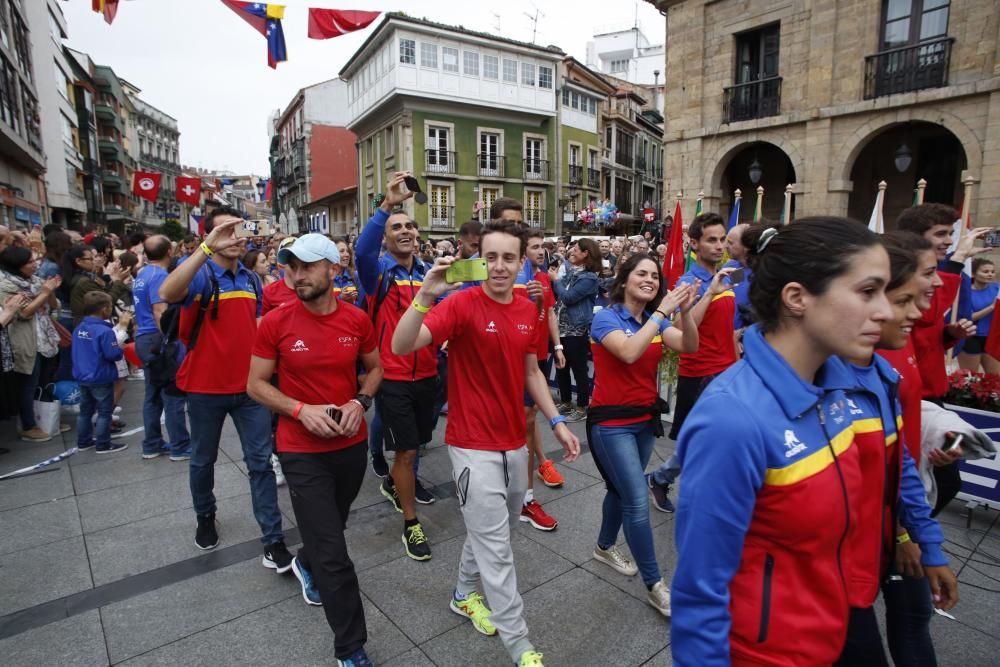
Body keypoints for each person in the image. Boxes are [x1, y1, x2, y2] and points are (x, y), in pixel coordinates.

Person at [671, 217, 892, 666]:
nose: (886, 311)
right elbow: (700, 592)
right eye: (867, 292)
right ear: (797, 298)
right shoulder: (731, 419)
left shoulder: (845, 388)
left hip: (839, 628)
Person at [392, 219, 580, 667]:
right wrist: (426, 295)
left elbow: (531, 371)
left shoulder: (524, 307)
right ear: (479, 260)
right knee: (497, 550)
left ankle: (462, 594)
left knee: (497, 528)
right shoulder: (461, 303)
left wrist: (557, 421)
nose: (498, 266)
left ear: (522, 262)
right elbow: (402, 345)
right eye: (490, 257)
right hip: (470, 443)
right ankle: (522, 649)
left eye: (508, 258)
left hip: (514, 441)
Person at [248, 234, 381, 667]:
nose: (296, 275)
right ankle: (351, 648)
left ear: (332, 269)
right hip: (299, 448)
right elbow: (256, 385)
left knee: (332, 526)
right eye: (290, 267)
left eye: (306, 266)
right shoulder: (275, 323)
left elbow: (376, 369)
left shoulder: (357, 319)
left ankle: (305, 561)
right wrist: (299, 409)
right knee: (334, 553)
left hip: (350, 444)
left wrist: (359, 403)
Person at [833, 232, 958, 666]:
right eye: (906, 298)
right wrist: (903, 536)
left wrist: (925, 539)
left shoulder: (883, 371)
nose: (919, 311)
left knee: (914, 617)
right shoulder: (814, 382)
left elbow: (897, 460)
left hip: (880, 537)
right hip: (841, 566)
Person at [158, 207, 289, 569]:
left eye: (238, 230)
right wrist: (203, 249)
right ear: (210, 237)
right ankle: (205, 515)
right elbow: (168, 292)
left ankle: (273, 539)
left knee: (260, 464)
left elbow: (258, 326)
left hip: (250, 391)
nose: (234, 237)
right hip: (204, 389)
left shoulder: (250, 279)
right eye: (224, 232)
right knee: (203, 460)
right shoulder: (201, 276)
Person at [587, 254, 699, 617]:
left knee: (619, 491)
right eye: (642, 273)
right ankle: (655, 585)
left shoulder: (651, 320)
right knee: (635, 499)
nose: (650, 279)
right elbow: (630, 353)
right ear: (625, 279)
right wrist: (663, 312)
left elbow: (689, 346)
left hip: (643, 421)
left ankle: (604, 546)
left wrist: (683, 311)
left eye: (655, 275)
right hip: (610, 424)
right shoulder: (607, 317)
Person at [356, 172, 437, 561]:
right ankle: (411, 523)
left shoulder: (428, 275)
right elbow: (361, 253)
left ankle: (395, 482)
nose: (404, 230)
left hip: (430, 376)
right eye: (396, 227)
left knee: (419, 444)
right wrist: (385, 206)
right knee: (405, 452)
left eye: (409, 225)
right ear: (386, 238)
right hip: (393, 379)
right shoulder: (376, 275)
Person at [517, 229, 566, 532]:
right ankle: (524, 493)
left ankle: (529, 486)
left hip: (540, 356)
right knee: (524, 418)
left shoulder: (544, 278)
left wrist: (557, 345)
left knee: (530, 416)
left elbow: (548, 313)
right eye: (534, 247)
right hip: (518, 359)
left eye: (541, 247)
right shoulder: (514, 277)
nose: (540, 251)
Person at [133, 235, 190, 461]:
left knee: (153, 395)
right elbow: (160, 311)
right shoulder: (158, 275)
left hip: (145, 338)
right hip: (157, 338)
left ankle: (152, 444)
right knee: (172, 394)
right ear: (169, 252)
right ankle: (180, 445)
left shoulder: (142, 273)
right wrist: (170, 341)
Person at [0, 247, 63, 441]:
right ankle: (28, 425)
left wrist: (49, 292)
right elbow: (23, 313)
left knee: (45, 380)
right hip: (25, 340)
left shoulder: (36, 280)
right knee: (28, 383)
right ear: (17, 265)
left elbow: (54, 306)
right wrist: (44, 293)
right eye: (30, 262)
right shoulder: (5, 285)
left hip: (46, 337)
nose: (35, 264)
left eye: (36, 260)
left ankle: (45, 418)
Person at [73, 291, 130, 455]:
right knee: (104, 412)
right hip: (101, 376)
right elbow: (112, 354)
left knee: (85, 411)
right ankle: (103, 444)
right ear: (105, 309)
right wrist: (119, 349)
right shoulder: (104, 331)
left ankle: (83, 441)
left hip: (82, 375)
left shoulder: (79, 328)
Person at [550, 238, 601, 422]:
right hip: (560, 328)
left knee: (579, 370)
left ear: (586, 253)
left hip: (576, 330)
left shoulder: (589, 277)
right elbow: (560, 294)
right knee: (561, 366)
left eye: (576, 249)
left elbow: (569, 297)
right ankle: (565, 401)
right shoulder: (573, 272)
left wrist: (556, 280)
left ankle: (581, 406)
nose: (572, 251)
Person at [957, 258, 999, 373]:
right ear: (974, 273)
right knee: (969, 378)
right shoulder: (965, 292)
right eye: (985, 272)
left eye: (992, 272)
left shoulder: (997, 288)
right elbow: (967, 318)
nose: (990, 274)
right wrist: (991, 307)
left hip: (991, 337)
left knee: (994, 377)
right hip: (971, 336)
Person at [723, 222, 752, 329]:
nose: (725, 246)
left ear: (746, 246)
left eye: (730, 243)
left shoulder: (763, 272)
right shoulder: (729, 267)